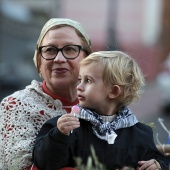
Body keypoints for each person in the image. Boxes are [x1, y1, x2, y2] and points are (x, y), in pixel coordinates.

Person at [32, 51, 168, 170]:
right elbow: (44, 163)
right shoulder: (67, 127)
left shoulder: (141, 134)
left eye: (88, 80)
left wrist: (158, 164)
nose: (79, 86)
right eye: (80, 79)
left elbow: (157, 160)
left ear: (114, 91)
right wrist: (59, 135)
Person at [0, 18, 92, 170]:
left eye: (70, 49)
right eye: (50, 50)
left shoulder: (104, 105)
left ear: (87, 59)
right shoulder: (16, 106)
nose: (59, 59)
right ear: (39, 60)